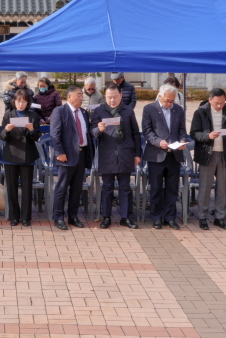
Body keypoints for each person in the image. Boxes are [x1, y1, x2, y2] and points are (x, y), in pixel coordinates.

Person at [91, 83, 142, 229]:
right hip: (107, 154)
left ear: (121, 96)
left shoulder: (127, 111)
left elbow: (135, 134)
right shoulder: (100, 111)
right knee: (107, 187)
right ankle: (106, 217)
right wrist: (98, 130)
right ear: (105, 97)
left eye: (115, 97)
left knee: (125, 187)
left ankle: (125, 217)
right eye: (109, 97)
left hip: (125, 153)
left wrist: (137, 154)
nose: (112, 100)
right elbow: (92, 132)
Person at [190, 88, 226, 230]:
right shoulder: (200, 112)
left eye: (222, 102)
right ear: (210, 100)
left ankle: (220, 217)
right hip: (207, 154)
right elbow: (194, 133)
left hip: (223, 153)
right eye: (217, 103)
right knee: (205, 187)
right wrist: (207, 136)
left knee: (222, 187)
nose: (220, 106)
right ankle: (202, 216)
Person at [142, 84, 188, 229]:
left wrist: (182, 140)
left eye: (172, 101)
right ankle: (156, 217)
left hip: (174, 154)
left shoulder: (178, 110)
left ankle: (170, 217)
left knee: (172, 188)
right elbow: (147, 131)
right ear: (160, 96)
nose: (169, 104)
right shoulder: (149, 109)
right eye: (167, 100)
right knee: (155, 188)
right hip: (156, 154)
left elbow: (182, 129)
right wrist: (157, 142)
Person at [49, 86, 94, 230]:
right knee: (62, 188)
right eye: (79, 95)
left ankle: (73, 216)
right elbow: (55, 135)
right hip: (66, 156)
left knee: (77, 188)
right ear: (69, 97)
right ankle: (58, 217)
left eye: (82, 96)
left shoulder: (84, 113)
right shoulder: (59, 111)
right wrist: (60, 152)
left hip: (82, 154)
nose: (81, 98)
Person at [0, 89, 40, 226]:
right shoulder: (8, 115)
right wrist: (7, 130)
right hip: (11, 155)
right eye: (18, 101)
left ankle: (26, 217)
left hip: (27, 155)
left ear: (27, 102)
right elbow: (2, 137)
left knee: (27, 187)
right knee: (11, 187)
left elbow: (36, 137)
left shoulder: (33, 116)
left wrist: (32, 130)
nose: (21, 104)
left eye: (23, 101)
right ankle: (14, 216)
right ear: (14, 102)